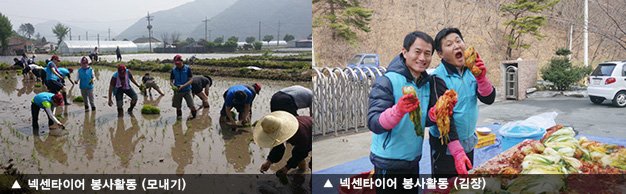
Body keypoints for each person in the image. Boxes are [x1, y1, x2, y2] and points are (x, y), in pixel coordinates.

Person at [367, 31, 440, 194]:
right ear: (405, 52)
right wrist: (397, 111)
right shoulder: (387, 81)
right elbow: (374, 122)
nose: (422, 58)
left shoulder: (425, 83)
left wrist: (434, 114)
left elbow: (421, 120)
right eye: (417, 52)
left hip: (413, 160)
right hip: (389, 162)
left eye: (428, 54)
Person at [428, 28, 496, 179]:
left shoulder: (471, 70)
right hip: (445, 145)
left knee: (464, 183)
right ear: (440, 54)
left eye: (458, 41)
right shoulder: (437, 78)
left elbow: (488, 99)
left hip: (468, 141)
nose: (457, 46)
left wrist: (481, 78)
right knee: (444, 186)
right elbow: (445, 119)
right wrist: (457, 150)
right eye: (449, 44)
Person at [170, 55, 197, 120]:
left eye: (178, 63)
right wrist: (173, 86)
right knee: (178, 107)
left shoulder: (187, 69)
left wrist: (183, 86)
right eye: (176, 63)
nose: (177, 64)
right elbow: (171, 81)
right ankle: (179, 119)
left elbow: (191, 80)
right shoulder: (173, 70)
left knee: (192, 105)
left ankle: (194, 118)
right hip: (177, 91)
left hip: (187, 90)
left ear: (182, 61)